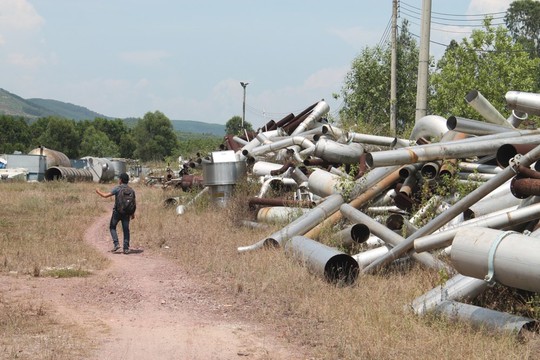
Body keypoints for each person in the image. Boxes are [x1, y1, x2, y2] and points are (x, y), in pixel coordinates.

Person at [95, 172, 135, 254]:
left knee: (112, 227)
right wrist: (132, 213)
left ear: (120, 180)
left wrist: (98, 191)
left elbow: (105, 195)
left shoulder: (118, 188)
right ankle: (126, 248)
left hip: (117, 212)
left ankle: (116, 244)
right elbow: (133, 203)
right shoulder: (131, 190)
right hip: (127, 213)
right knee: (126, 230)